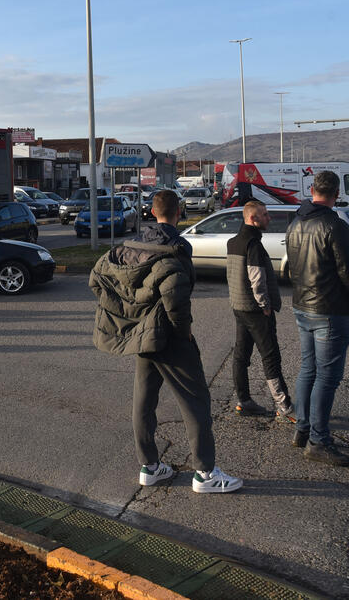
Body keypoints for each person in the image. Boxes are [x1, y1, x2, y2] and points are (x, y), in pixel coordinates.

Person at [89, 190, 243, 494]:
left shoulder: (128, 247)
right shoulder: (175, 249)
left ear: (151, 212)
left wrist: (129, 313)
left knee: (144, 400)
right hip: (169, 337)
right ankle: (205, 473)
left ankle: (150, 466)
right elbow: (175, 294)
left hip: (144, 336)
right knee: (195, 400)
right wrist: (182, 329)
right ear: (179, 212)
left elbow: (96, 279)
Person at [285, 171, 349, 466]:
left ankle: (303, 429)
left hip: (303, 306)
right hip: (328, 310)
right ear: (336, 193)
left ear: (312, 189)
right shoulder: (334, 225)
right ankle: (318, 441)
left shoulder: (296, 222)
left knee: (308, 370)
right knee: (326, 377)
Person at [226, 200, 295, 421]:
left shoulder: (234, 241)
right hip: (255, 310)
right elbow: (257, 279)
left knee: (241, 355)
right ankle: (285, 407)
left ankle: (244, 401)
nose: (269, 218)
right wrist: (265, 306)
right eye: (264, 215)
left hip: (239, 306)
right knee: (270, 356)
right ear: (253, 219)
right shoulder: (253, 244)